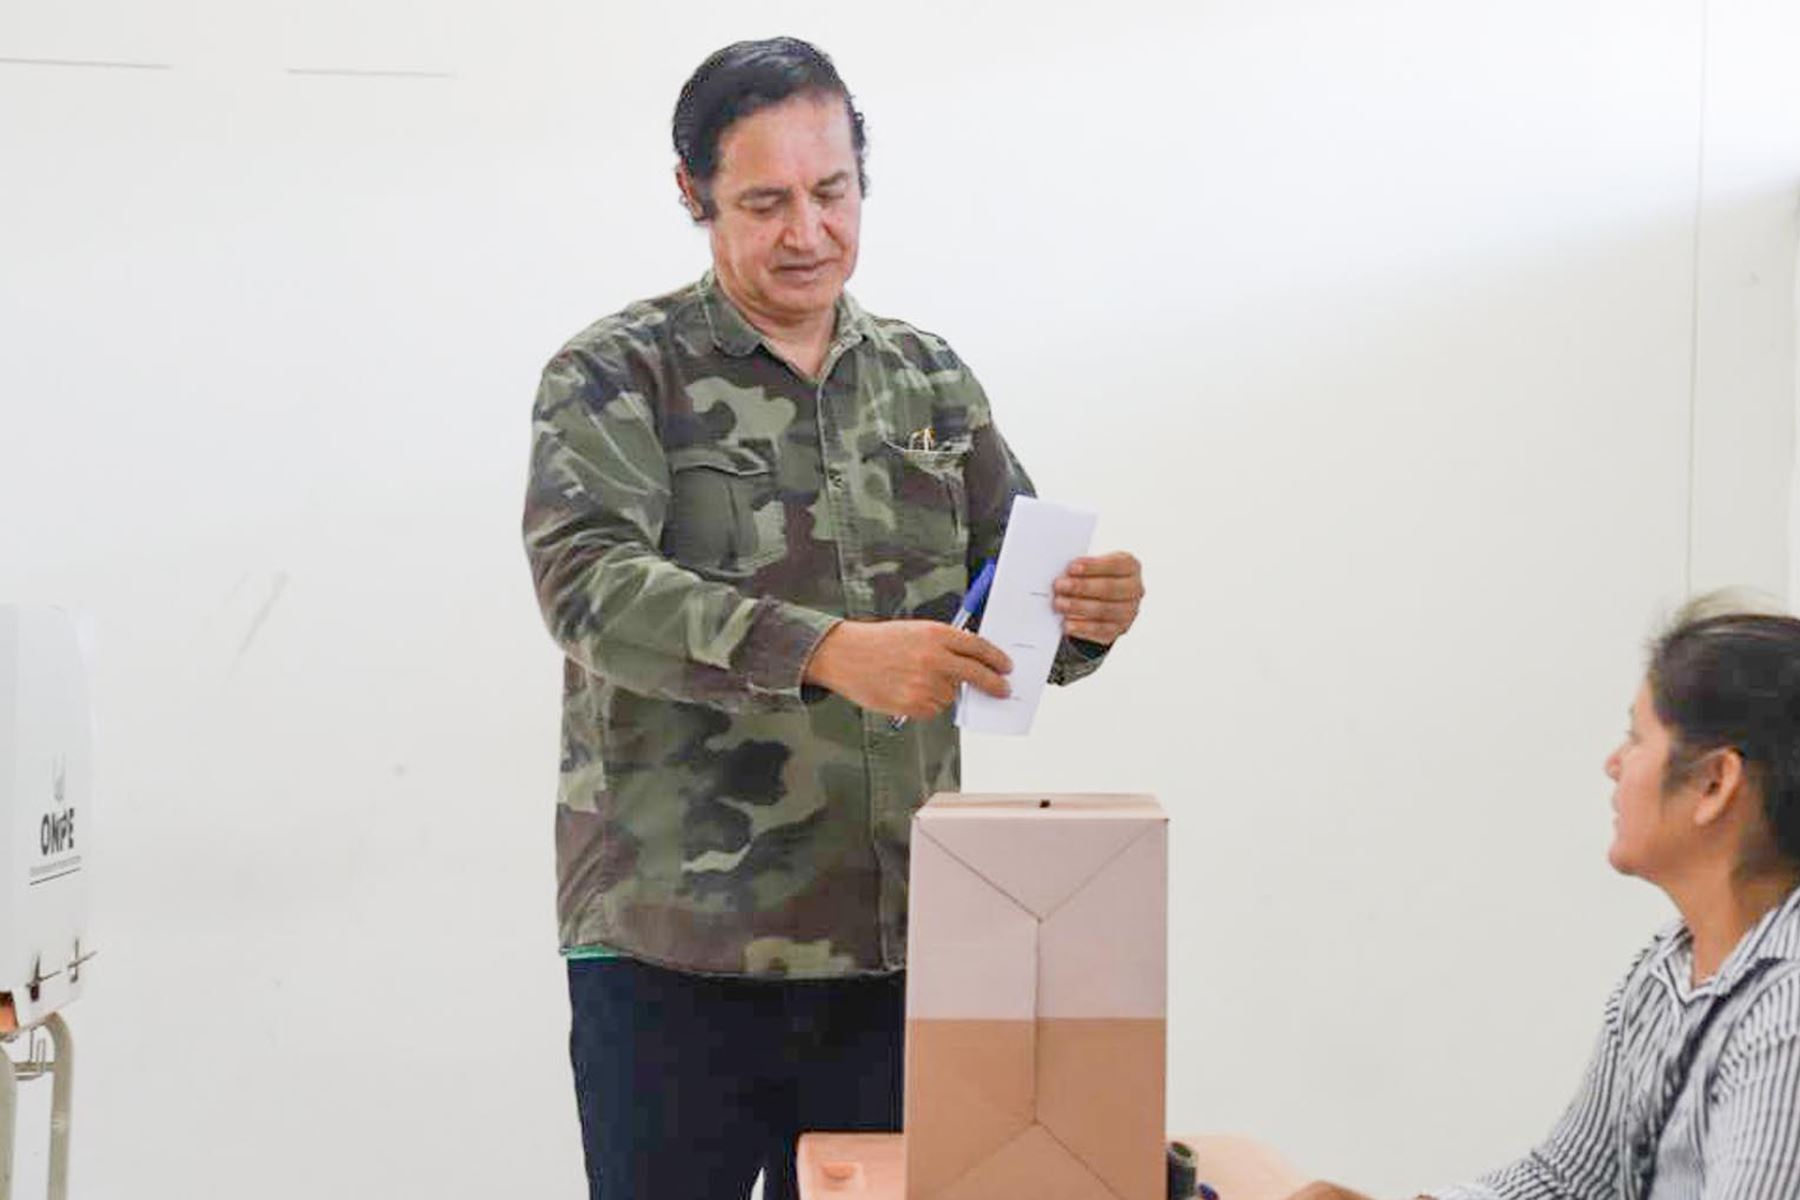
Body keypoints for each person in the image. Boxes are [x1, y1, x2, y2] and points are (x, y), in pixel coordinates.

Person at [520, 36, 1145, 1200]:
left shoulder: (927, 378)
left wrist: (1086, 615)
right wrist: (826, 652)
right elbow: (589, 588)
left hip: (903, 942)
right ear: (691, 192)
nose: (808, 232)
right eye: (765, 202)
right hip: (674, 950)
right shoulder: (616, 376)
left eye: (833, 192)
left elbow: (1004, 602)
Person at [1291, 597, 1800, 1200]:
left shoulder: (1785, 1014)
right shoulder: (1666, 968)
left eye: (1636, 738)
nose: (1613, 764)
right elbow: (1566, 1180)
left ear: (1715, 783)